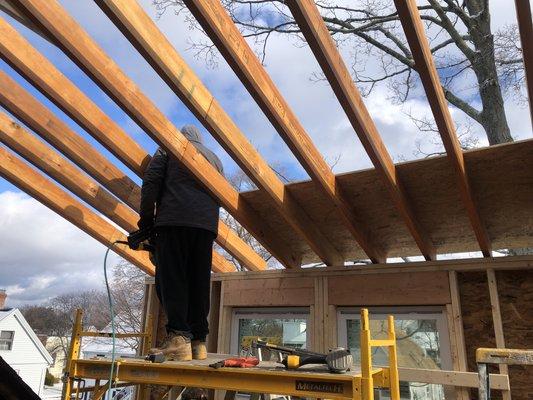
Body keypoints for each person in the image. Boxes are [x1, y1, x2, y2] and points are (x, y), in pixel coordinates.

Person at [138, 125, 223, 361]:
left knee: (172, 278)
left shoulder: (169, 147)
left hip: (174, 221)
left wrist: (145, 221)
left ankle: (178, 339)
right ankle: (198, 342)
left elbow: (151, 182)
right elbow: (220, 193)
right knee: (198, 281)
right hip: (205, 227)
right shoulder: (215, 158)